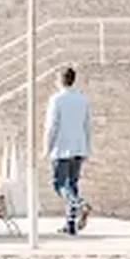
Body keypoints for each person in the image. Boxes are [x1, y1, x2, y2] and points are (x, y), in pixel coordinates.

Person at [43, 66, 92, 236]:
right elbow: (87, 125)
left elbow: (51, 126)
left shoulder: (56, 99)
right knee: (72, 185)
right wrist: (87, 148)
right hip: (79, 146)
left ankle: (79, 204)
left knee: (59, 184)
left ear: (60, 80)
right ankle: (70, 224)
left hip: (61, 147)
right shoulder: (83, 100)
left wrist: (46, 148)